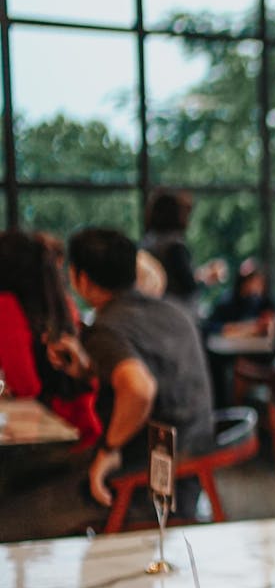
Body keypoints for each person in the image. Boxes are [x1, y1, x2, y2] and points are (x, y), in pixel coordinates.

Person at [1, 229, 213, 539]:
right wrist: (87, 371)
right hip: (190, 470)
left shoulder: (106, 328)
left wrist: (109, 450)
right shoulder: (173, 312)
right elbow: (152, 378)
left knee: (11, 499)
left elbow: (140, 389)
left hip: (144, 482)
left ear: (80, 279)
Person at [0, 230, 100, 444]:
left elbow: (26, 387)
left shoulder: (6, 305)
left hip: (53, 436)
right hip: (85, 423)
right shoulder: (58, 301)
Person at [140, 188, 223, 317]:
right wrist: (205, 277)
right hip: (178, 314)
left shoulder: (148, 242)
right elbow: (187, 285)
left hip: (155, 312)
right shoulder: (173, 246)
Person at [204, 257, 275, 338]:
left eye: (259, 283)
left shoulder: (263, 302)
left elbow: (270, 320)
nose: (256, 287)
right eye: (251, 281)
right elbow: (210, 326)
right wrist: (229, 328)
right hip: (231, 346)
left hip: (257, 346)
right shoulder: (227, 302)